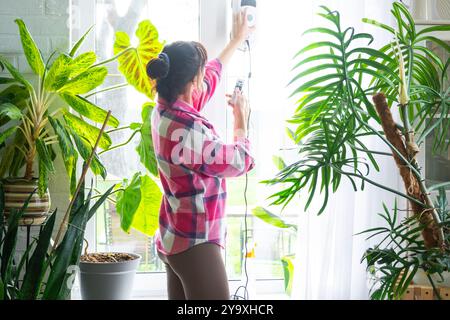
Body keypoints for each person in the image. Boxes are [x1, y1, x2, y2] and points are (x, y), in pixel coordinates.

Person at [146, 11, 256, 300]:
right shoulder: (188, 127)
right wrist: (241, 121)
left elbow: (211, 77)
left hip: (175, 237)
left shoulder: (162, 110)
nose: (202, 81)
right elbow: (239, 161)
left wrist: (236, 40)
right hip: (197, 242)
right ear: (191, 80)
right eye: (199, 75)